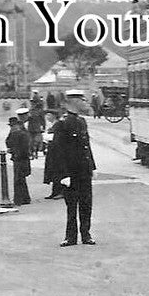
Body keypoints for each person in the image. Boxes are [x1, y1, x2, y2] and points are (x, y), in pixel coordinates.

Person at [47, 90, 96, 246]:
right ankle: (71, 236)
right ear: (74, 102)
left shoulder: (82, 121)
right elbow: (59, 151)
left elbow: (86, 146)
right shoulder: (62, 124)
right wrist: (64, 174)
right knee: (72, 206)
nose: (84, 103)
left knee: (86, 204)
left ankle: (86, 234)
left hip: (84, 171)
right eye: (81, 100)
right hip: (71, 173)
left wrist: (92, 167)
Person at [6, 109, 32, 206]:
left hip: (20, 158)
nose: (11, 127)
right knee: (21, 179)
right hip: (21, 157)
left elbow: (10, 143)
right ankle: (24, 198)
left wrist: (13, 151)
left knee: (18, 179)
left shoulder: (18, 133)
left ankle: (19, 199)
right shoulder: (20, 132)